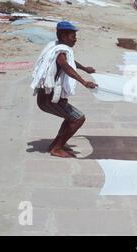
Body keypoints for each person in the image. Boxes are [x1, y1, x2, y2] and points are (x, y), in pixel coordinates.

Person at [30, 21, 98, 158]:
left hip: (46, 98)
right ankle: (56, 148)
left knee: (70, 118)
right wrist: (84, 82)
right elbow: (65, 66)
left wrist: (85, 68)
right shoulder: (60, 52)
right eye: (73, 36)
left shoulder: (57, 47)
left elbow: (70, 62)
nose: (75, 40)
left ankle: (56, 144)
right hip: (49, 99)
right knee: (79, 119)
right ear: (63, 36)